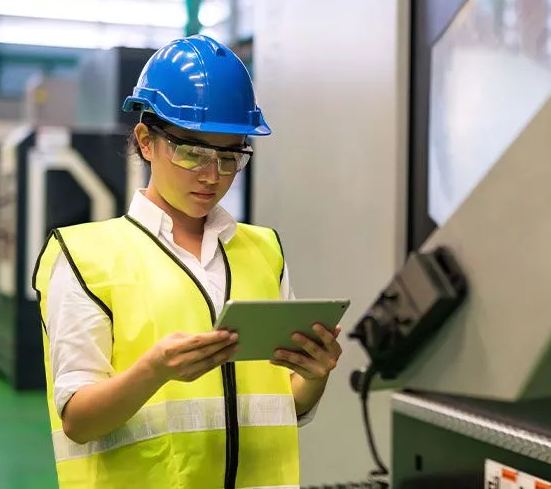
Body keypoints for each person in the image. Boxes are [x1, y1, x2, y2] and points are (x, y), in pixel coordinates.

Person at [32, 34, 343, 489]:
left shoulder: (264, 251)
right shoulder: (86, 257)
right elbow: (78, 420)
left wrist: (314, 378)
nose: (212, 175)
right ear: (146, 141)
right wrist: (153, 371)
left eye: (230, 156)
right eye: (192, 153)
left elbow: (279, 407)